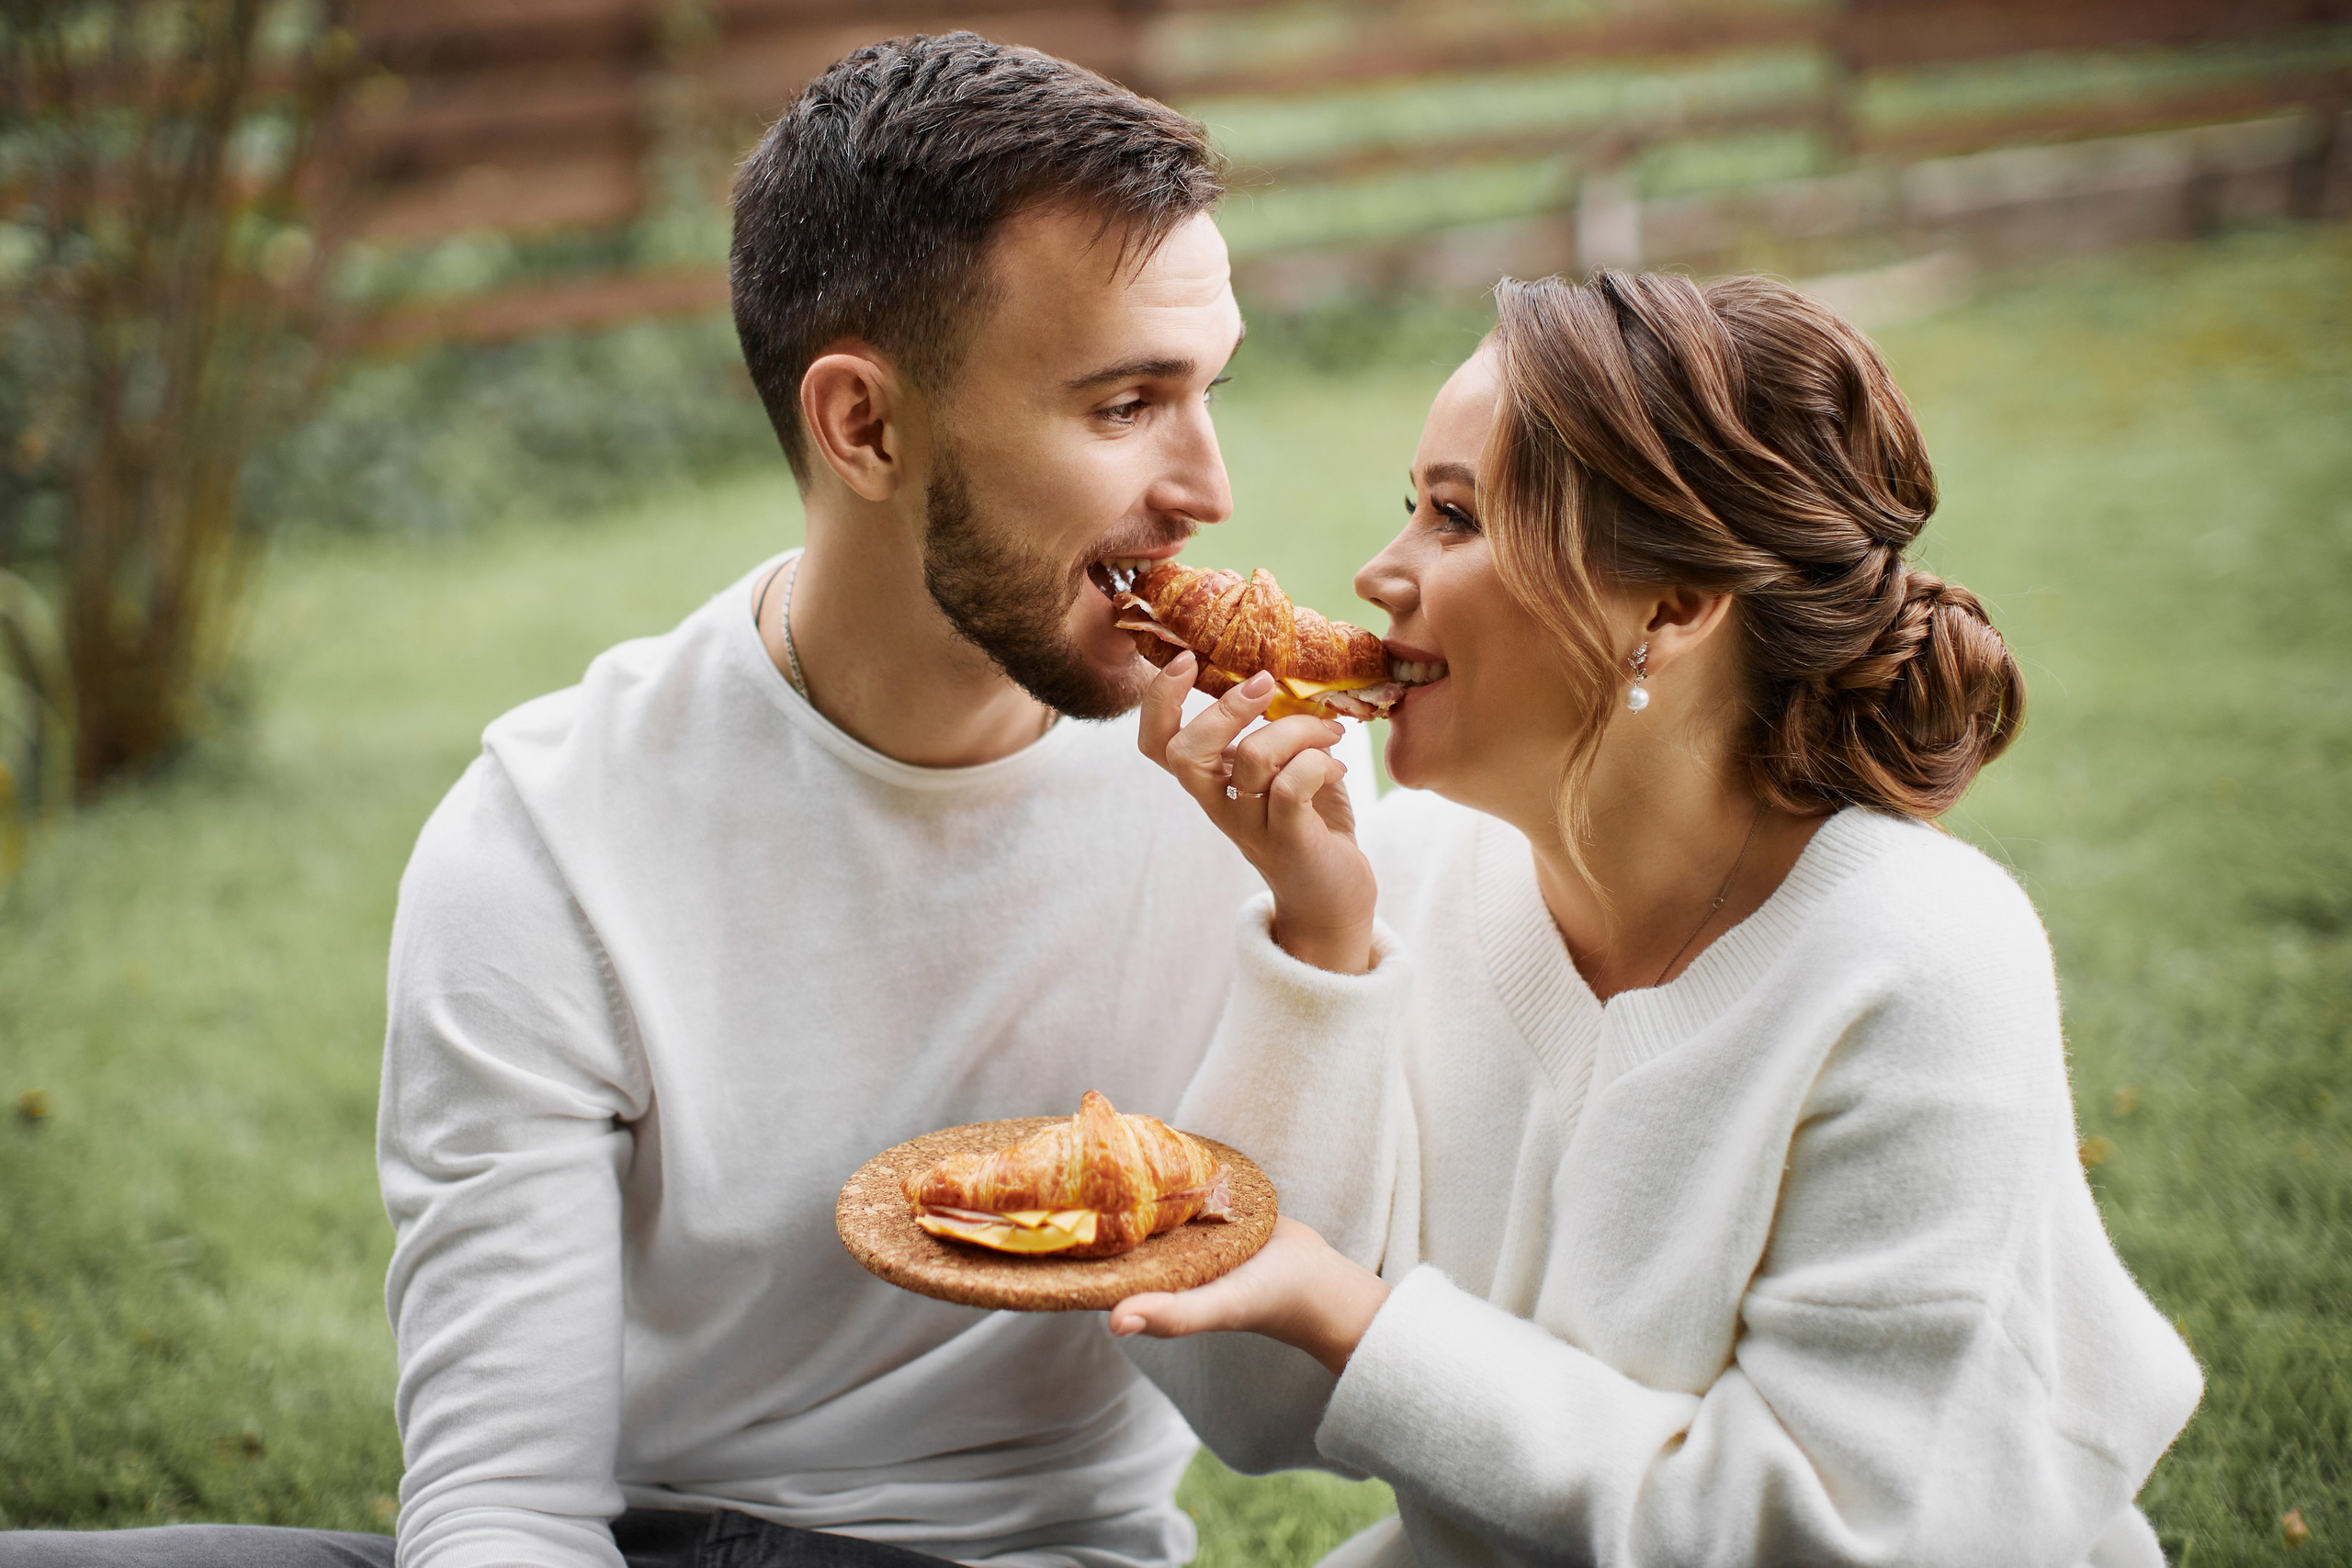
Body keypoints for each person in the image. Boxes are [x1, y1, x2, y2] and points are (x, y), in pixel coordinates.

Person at [1, 32, 1337, 1568]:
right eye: (1125, 406)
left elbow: (1291, 1412)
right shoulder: (549, 839)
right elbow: (506, 1499)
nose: (1210, 487)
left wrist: (1323, 946)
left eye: (1208, 389)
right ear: (865, 427)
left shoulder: (1273, 805)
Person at [1108, 271, 2204, 1568]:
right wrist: (1319, 943)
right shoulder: (1406, 875)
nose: (1378, 574)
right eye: (1409, 508)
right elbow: (1245, 1404)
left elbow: (1828, 1540)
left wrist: (1358, 1321)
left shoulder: (1917, 961)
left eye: (1455, 518)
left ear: (1674, 605)